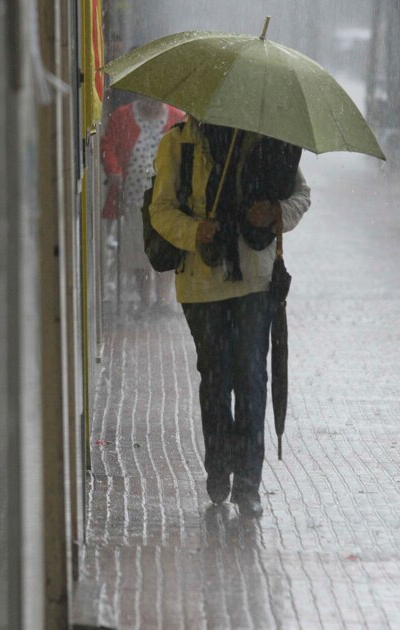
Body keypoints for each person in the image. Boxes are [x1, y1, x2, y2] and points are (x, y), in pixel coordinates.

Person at [149, 117, 310, 517]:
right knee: (216, 376)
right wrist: (194, 230)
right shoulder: (179, 144)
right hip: (201, 285)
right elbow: (161, 208)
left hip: (254, 282)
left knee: (252, 376)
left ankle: (248, 484)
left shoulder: (265, 140)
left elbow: (301, 195)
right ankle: (219, 465)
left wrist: (274, 210)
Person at [100, 96, 185, 310]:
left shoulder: (176, 117)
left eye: (157, 100)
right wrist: (114, 172)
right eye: (149, 99)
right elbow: (107, 147)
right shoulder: (122, 117)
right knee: (139, 249)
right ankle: (145, 298)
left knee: (164, 245)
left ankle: (163, 299)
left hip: (167, 199)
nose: (153, 104)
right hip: (133, 199)